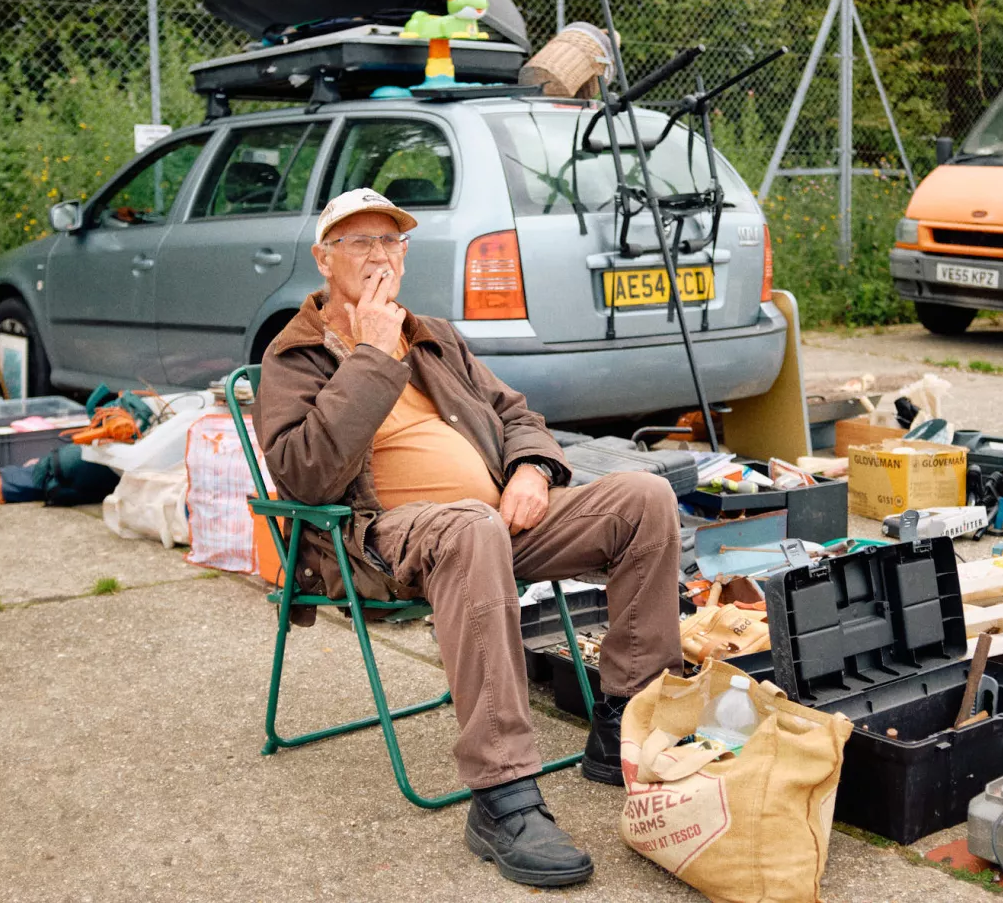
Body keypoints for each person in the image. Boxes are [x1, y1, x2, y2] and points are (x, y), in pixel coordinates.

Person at [254, 188, 682, 889]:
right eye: (359, 243)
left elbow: (515, 410)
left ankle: (626, 724)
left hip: (493, 526)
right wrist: (369, 354)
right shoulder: (295, 355)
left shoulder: (435, 335)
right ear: (323, 258)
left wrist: (532, 468)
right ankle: (502, 794)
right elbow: (304, 476)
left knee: (645, 497)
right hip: (381, 541)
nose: (378, 256)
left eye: (390, 242)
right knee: (472, 526)